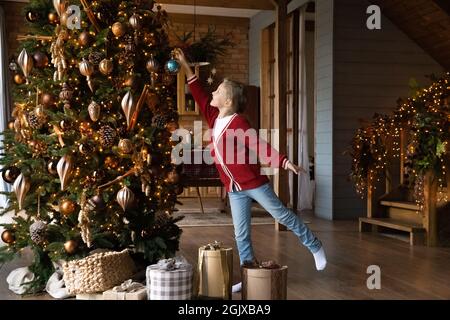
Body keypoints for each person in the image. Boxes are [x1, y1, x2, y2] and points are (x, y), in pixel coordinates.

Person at [173, 48, 327, 293]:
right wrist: (183, 64)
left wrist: (284, 162)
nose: (213, 92)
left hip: (254, 184)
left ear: (228, 101)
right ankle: (248, 273)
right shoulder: (214, 117)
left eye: (218, 91)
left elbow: (259, 146)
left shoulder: (238, 122)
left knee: (283, 215)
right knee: (241, 234)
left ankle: (315, 245)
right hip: (234, 189)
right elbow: (198, 90)